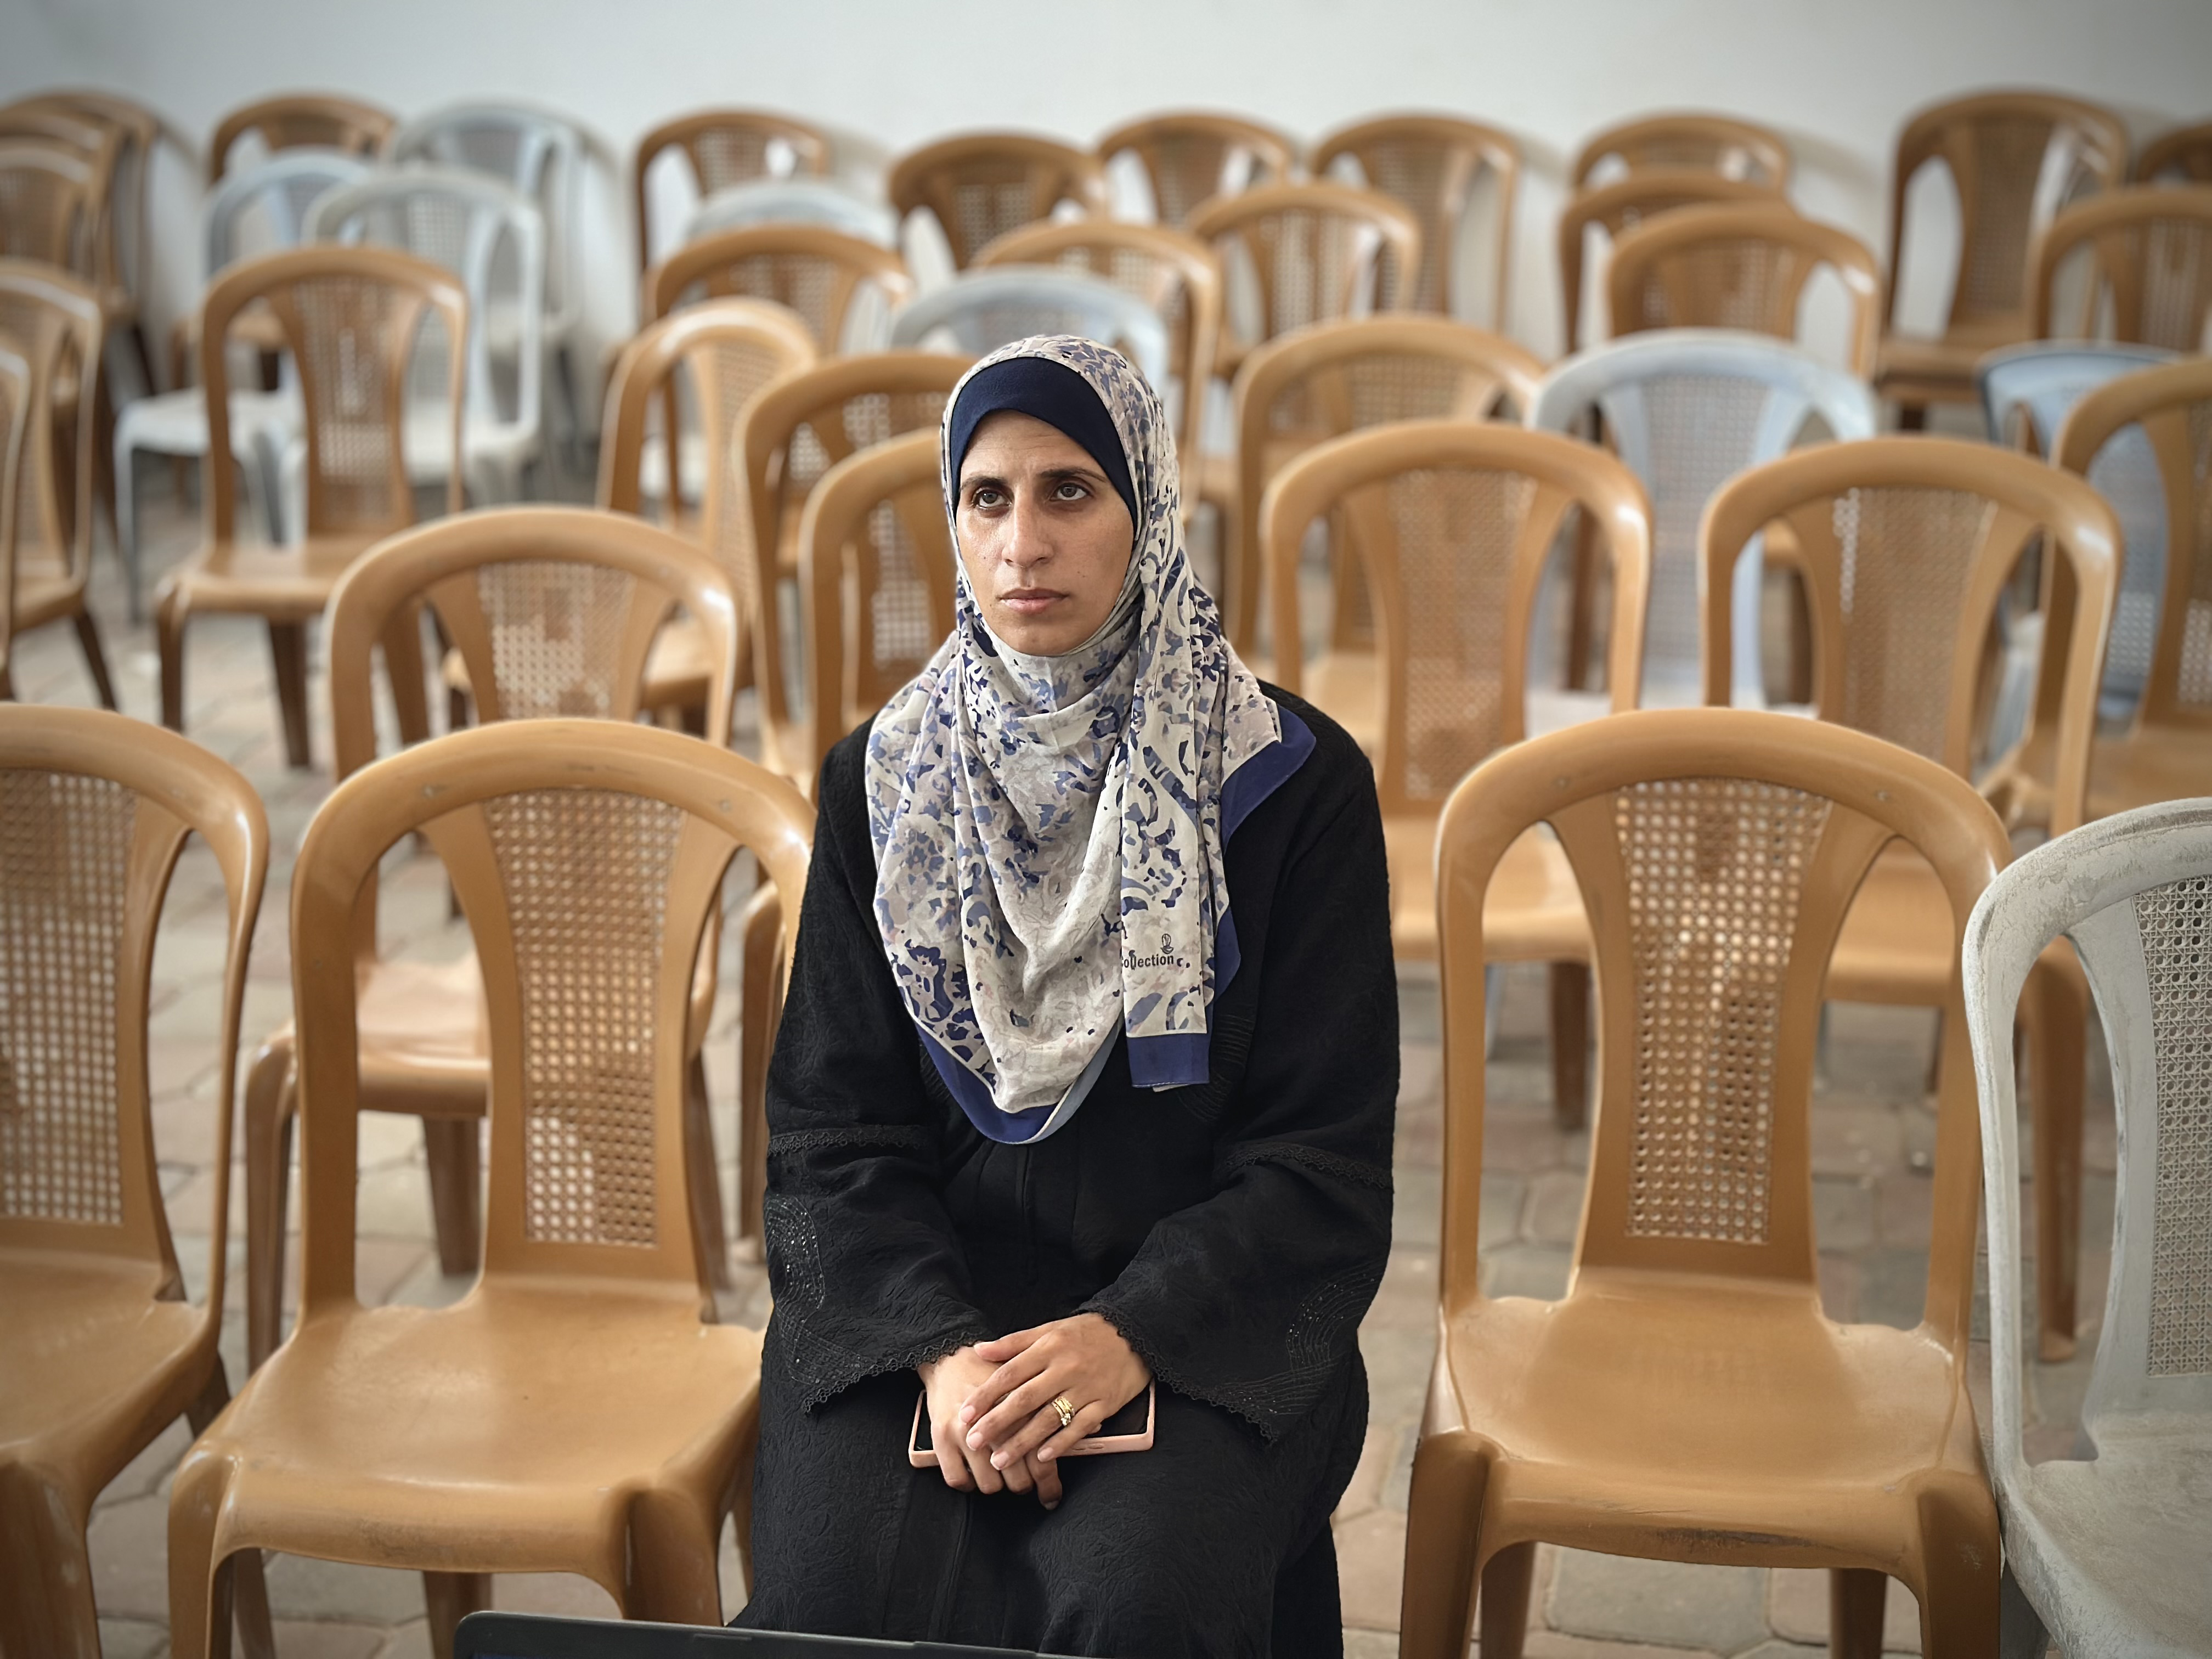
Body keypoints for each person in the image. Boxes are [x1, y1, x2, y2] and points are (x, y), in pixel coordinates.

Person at [736, 336, 1396, 1658]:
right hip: (920, 1315)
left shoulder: (1289, 786)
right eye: (987, 497)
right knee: (835, 1599)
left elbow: (1317, 1163)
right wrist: (943, 1354)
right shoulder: (884, 783)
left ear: (1146, 512)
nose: (1023, 542)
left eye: (1071, 492)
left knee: (1138, 1603)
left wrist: (1127, 1333)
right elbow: (832, 1136)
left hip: (1200, 1326)